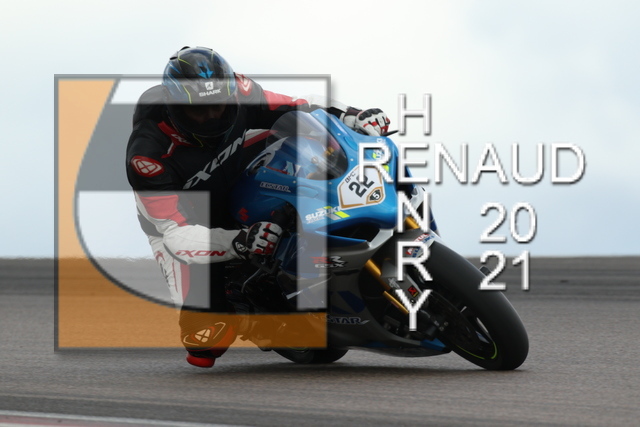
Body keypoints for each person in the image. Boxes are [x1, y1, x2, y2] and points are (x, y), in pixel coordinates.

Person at [126, 46, 390, 368]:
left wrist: (354, 115)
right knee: (205, 342)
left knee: (303, 135)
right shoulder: (148, 156)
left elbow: (304, 107)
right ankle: (250, 312)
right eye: (199, 112)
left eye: (219, 106)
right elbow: (173, 233)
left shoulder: (243, 92)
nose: (212, 117)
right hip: (190, 219)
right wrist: (238, 241)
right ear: (175, 109)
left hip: (240, 172)